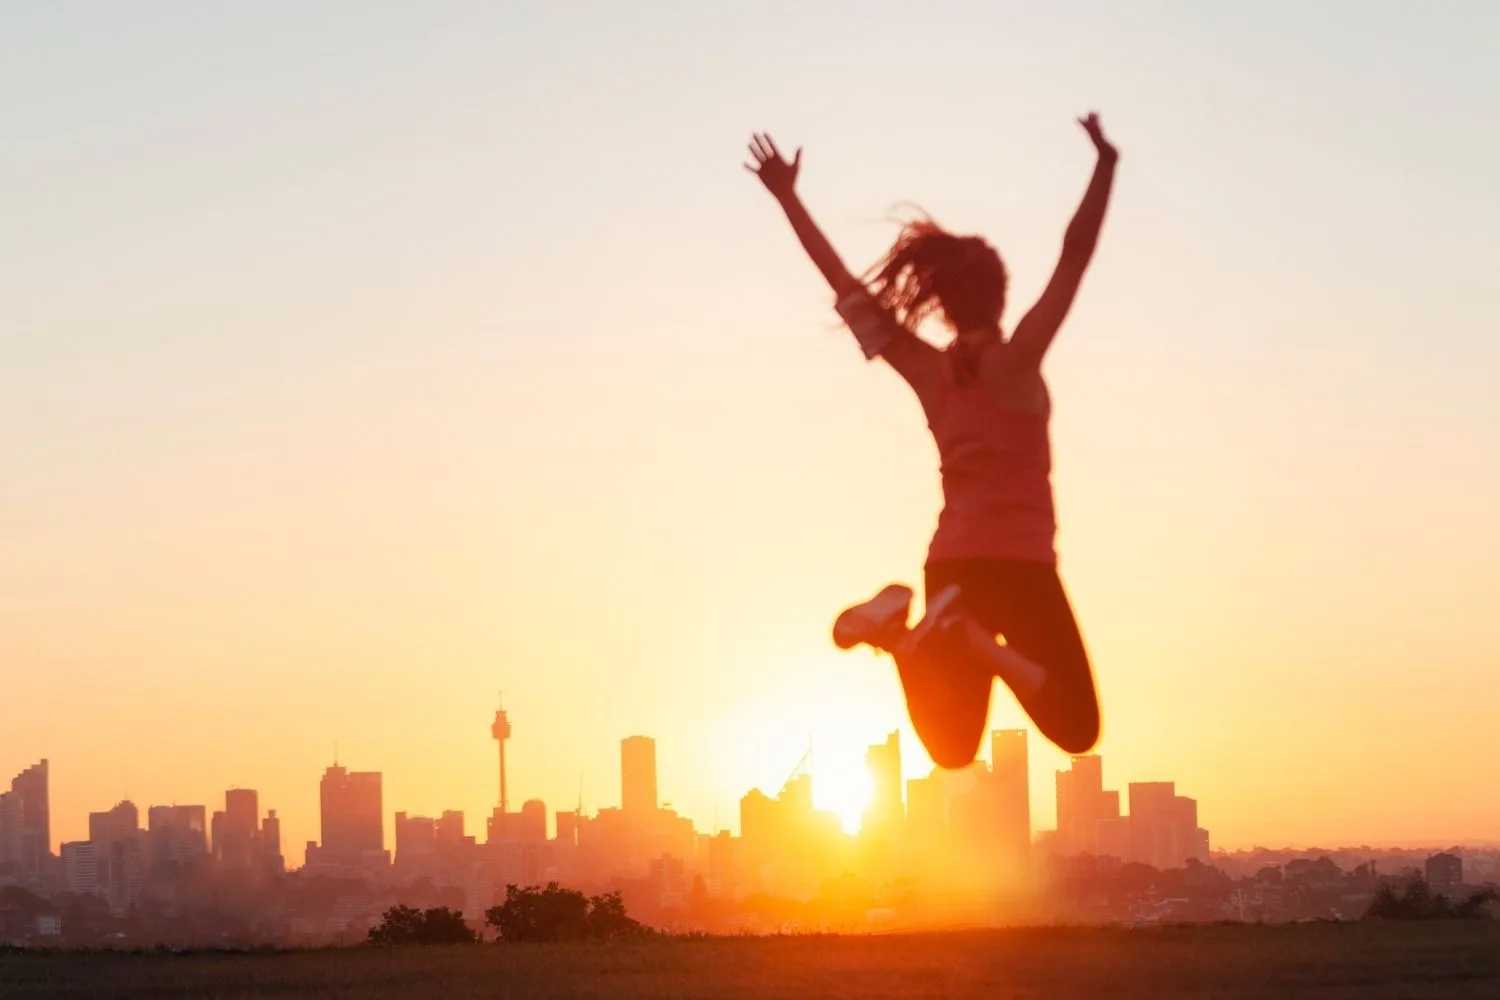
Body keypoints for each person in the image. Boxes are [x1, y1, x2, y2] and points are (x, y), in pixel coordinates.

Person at [745, 114, 1118, 767]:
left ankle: (901, 637)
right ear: (1001, 298)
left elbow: (848, 291)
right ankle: (981, 645)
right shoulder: (1019, 362)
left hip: (952, 570)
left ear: (942, 303)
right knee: (1078, 729)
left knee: (951, 750)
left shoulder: (928, 372)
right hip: (1024, 568)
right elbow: (1075, 256)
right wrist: (1105, 163)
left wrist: (787, 199)